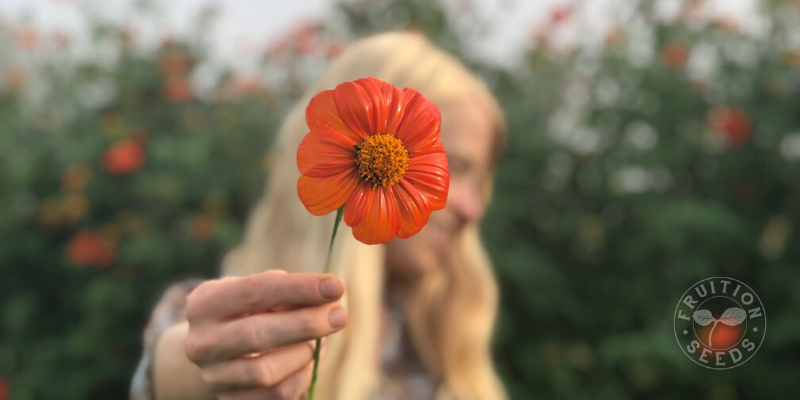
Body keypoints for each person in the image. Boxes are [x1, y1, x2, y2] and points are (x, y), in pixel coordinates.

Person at [131, 31, 508, 400]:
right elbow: (180, 355)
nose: (472, 208)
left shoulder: (444, 333)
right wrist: (197, 370)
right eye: (455, 166)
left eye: (480, 181)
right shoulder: (218, 311)